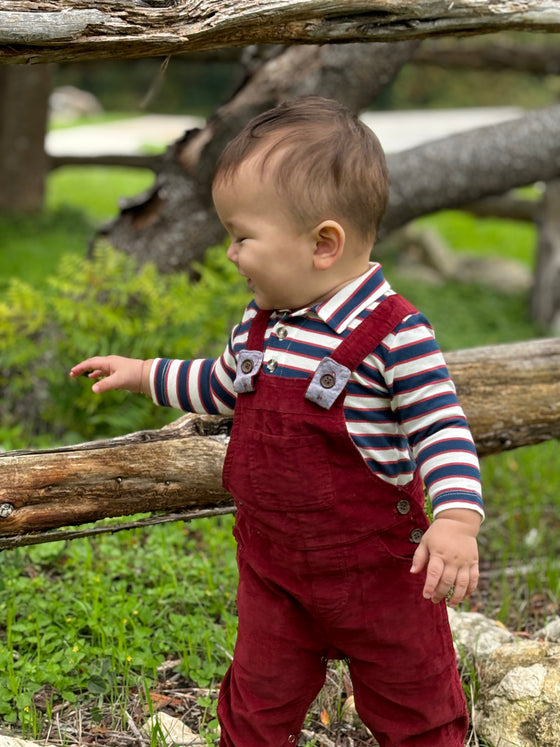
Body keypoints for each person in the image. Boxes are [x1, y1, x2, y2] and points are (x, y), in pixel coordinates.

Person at [70, 96, 483, 746]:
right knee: (257, 701)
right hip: (275, 572)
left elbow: (441, 429)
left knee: (415, 702)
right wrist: (146, 371)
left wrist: (457, 518)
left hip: (379, 576)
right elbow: (220, 384)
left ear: (323, 243)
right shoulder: (260, 329)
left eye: (242, 236)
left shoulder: (393, 334)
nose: (231, 254)